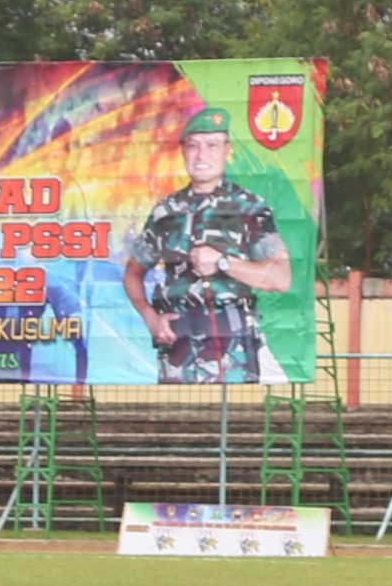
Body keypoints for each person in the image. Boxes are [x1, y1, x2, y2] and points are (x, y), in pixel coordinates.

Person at [123, 107, 291, 384]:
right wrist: (150, 317)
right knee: (174, 413)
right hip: (178, 355)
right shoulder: (166, 212)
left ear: (227, 150)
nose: (202, 155)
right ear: (183, 151)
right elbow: (132, 273)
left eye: (212, 145)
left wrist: (224, 262)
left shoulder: (250, 208)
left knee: (231, 414)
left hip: (232, 355)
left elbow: (281, 278)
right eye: (194, 146)